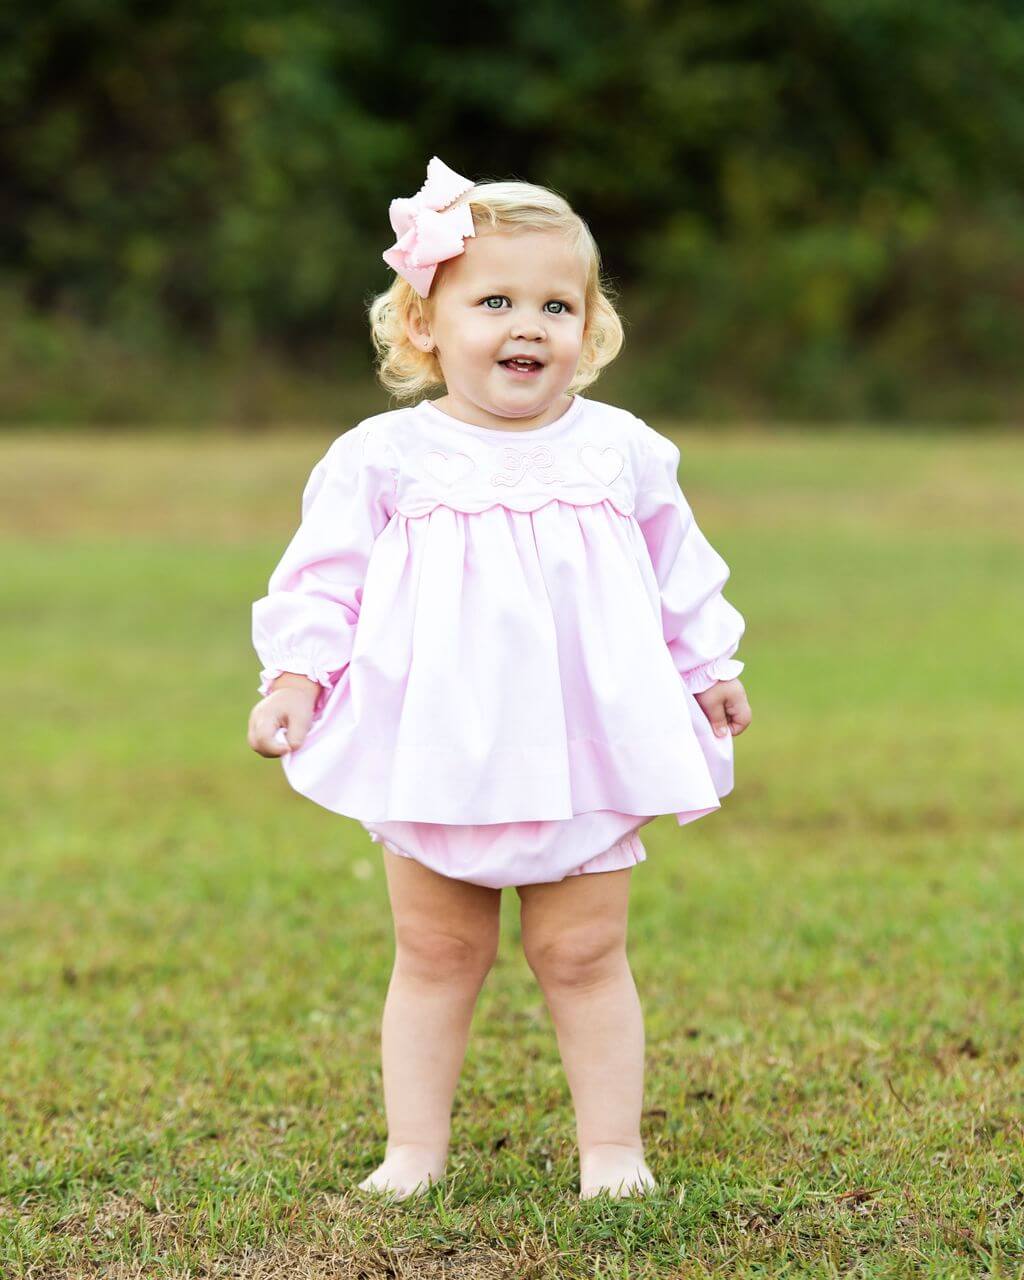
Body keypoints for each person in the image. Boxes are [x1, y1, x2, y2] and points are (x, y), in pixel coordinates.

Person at [247, 155, 753, 1202]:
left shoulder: (622, 450)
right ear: (424, 322)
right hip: (435, 745)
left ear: (590, 327)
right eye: (495, 302)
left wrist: (708, 666)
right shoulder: (384, 456)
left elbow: (681, 569)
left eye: (556, 305)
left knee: (583, 951)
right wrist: (295, 678)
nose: (529, 325)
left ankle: (612, 1149)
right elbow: (322, 580)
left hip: (583, 748)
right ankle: (413, 1150)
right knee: (436, 949)